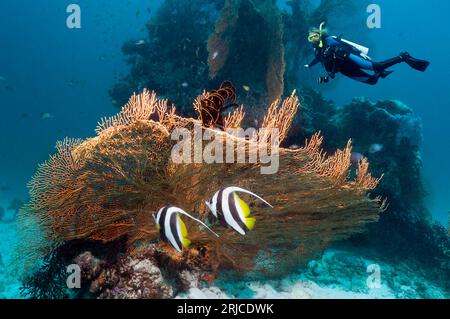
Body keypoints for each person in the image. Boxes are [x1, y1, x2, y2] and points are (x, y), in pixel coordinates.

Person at [305, 22, 430, 85]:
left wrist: (359, 53)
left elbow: (347, 46)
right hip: (343, 69)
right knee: (372, 82)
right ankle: (380, 74)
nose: (313, 39)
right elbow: (317, 58)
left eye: (314, 36)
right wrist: (310, 65)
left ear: (319, 34)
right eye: (310, 38)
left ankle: (403, 57)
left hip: (350, 59)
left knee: (378, 66)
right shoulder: (317, 51)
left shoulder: (330, 40)